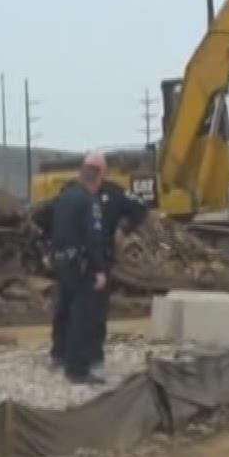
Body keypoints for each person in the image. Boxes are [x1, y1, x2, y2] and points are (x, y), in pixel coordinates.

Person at [47, 152, 146, 383]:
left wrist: (123, 229)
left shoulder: (114, 192)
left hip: (100, 256)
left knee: (93, 313)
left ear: (103, 171)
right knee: (66, 309)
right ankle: (61, 354)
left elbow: (139, 209)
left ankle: (91, 357)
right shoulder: (73, 192)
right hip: (79, 259)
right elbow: (54, 220)